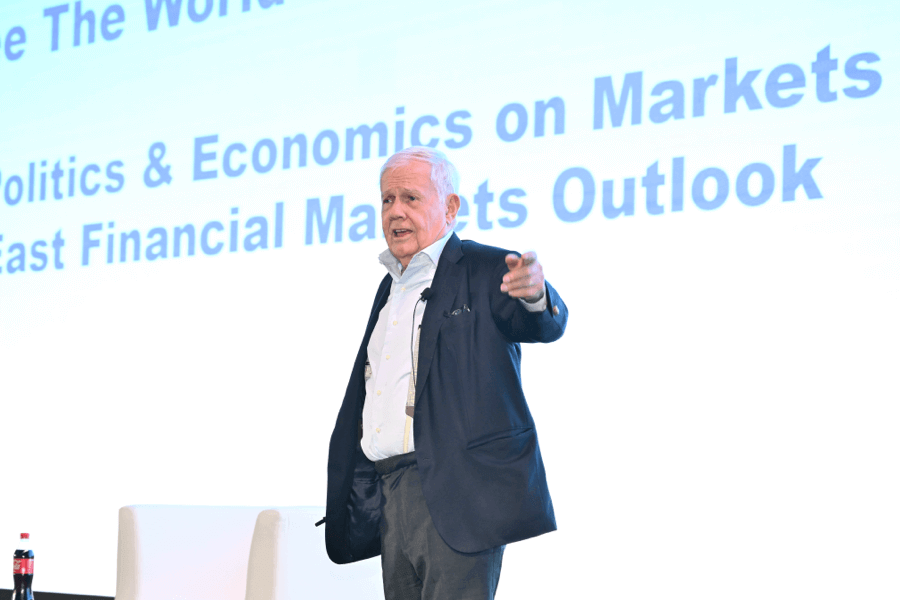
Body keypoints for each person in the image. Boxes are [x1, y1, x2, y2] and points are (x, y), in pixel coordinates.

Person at [322, 146, 568, 600]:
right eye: (387, 199)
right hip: (391, 491)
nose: (395, 211)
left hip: (458, 493)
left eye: (410, 198)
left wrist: (536, 296)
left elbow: (541, 324)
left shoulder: (486, 268)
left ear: (450, 207)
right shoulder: (390, 288)